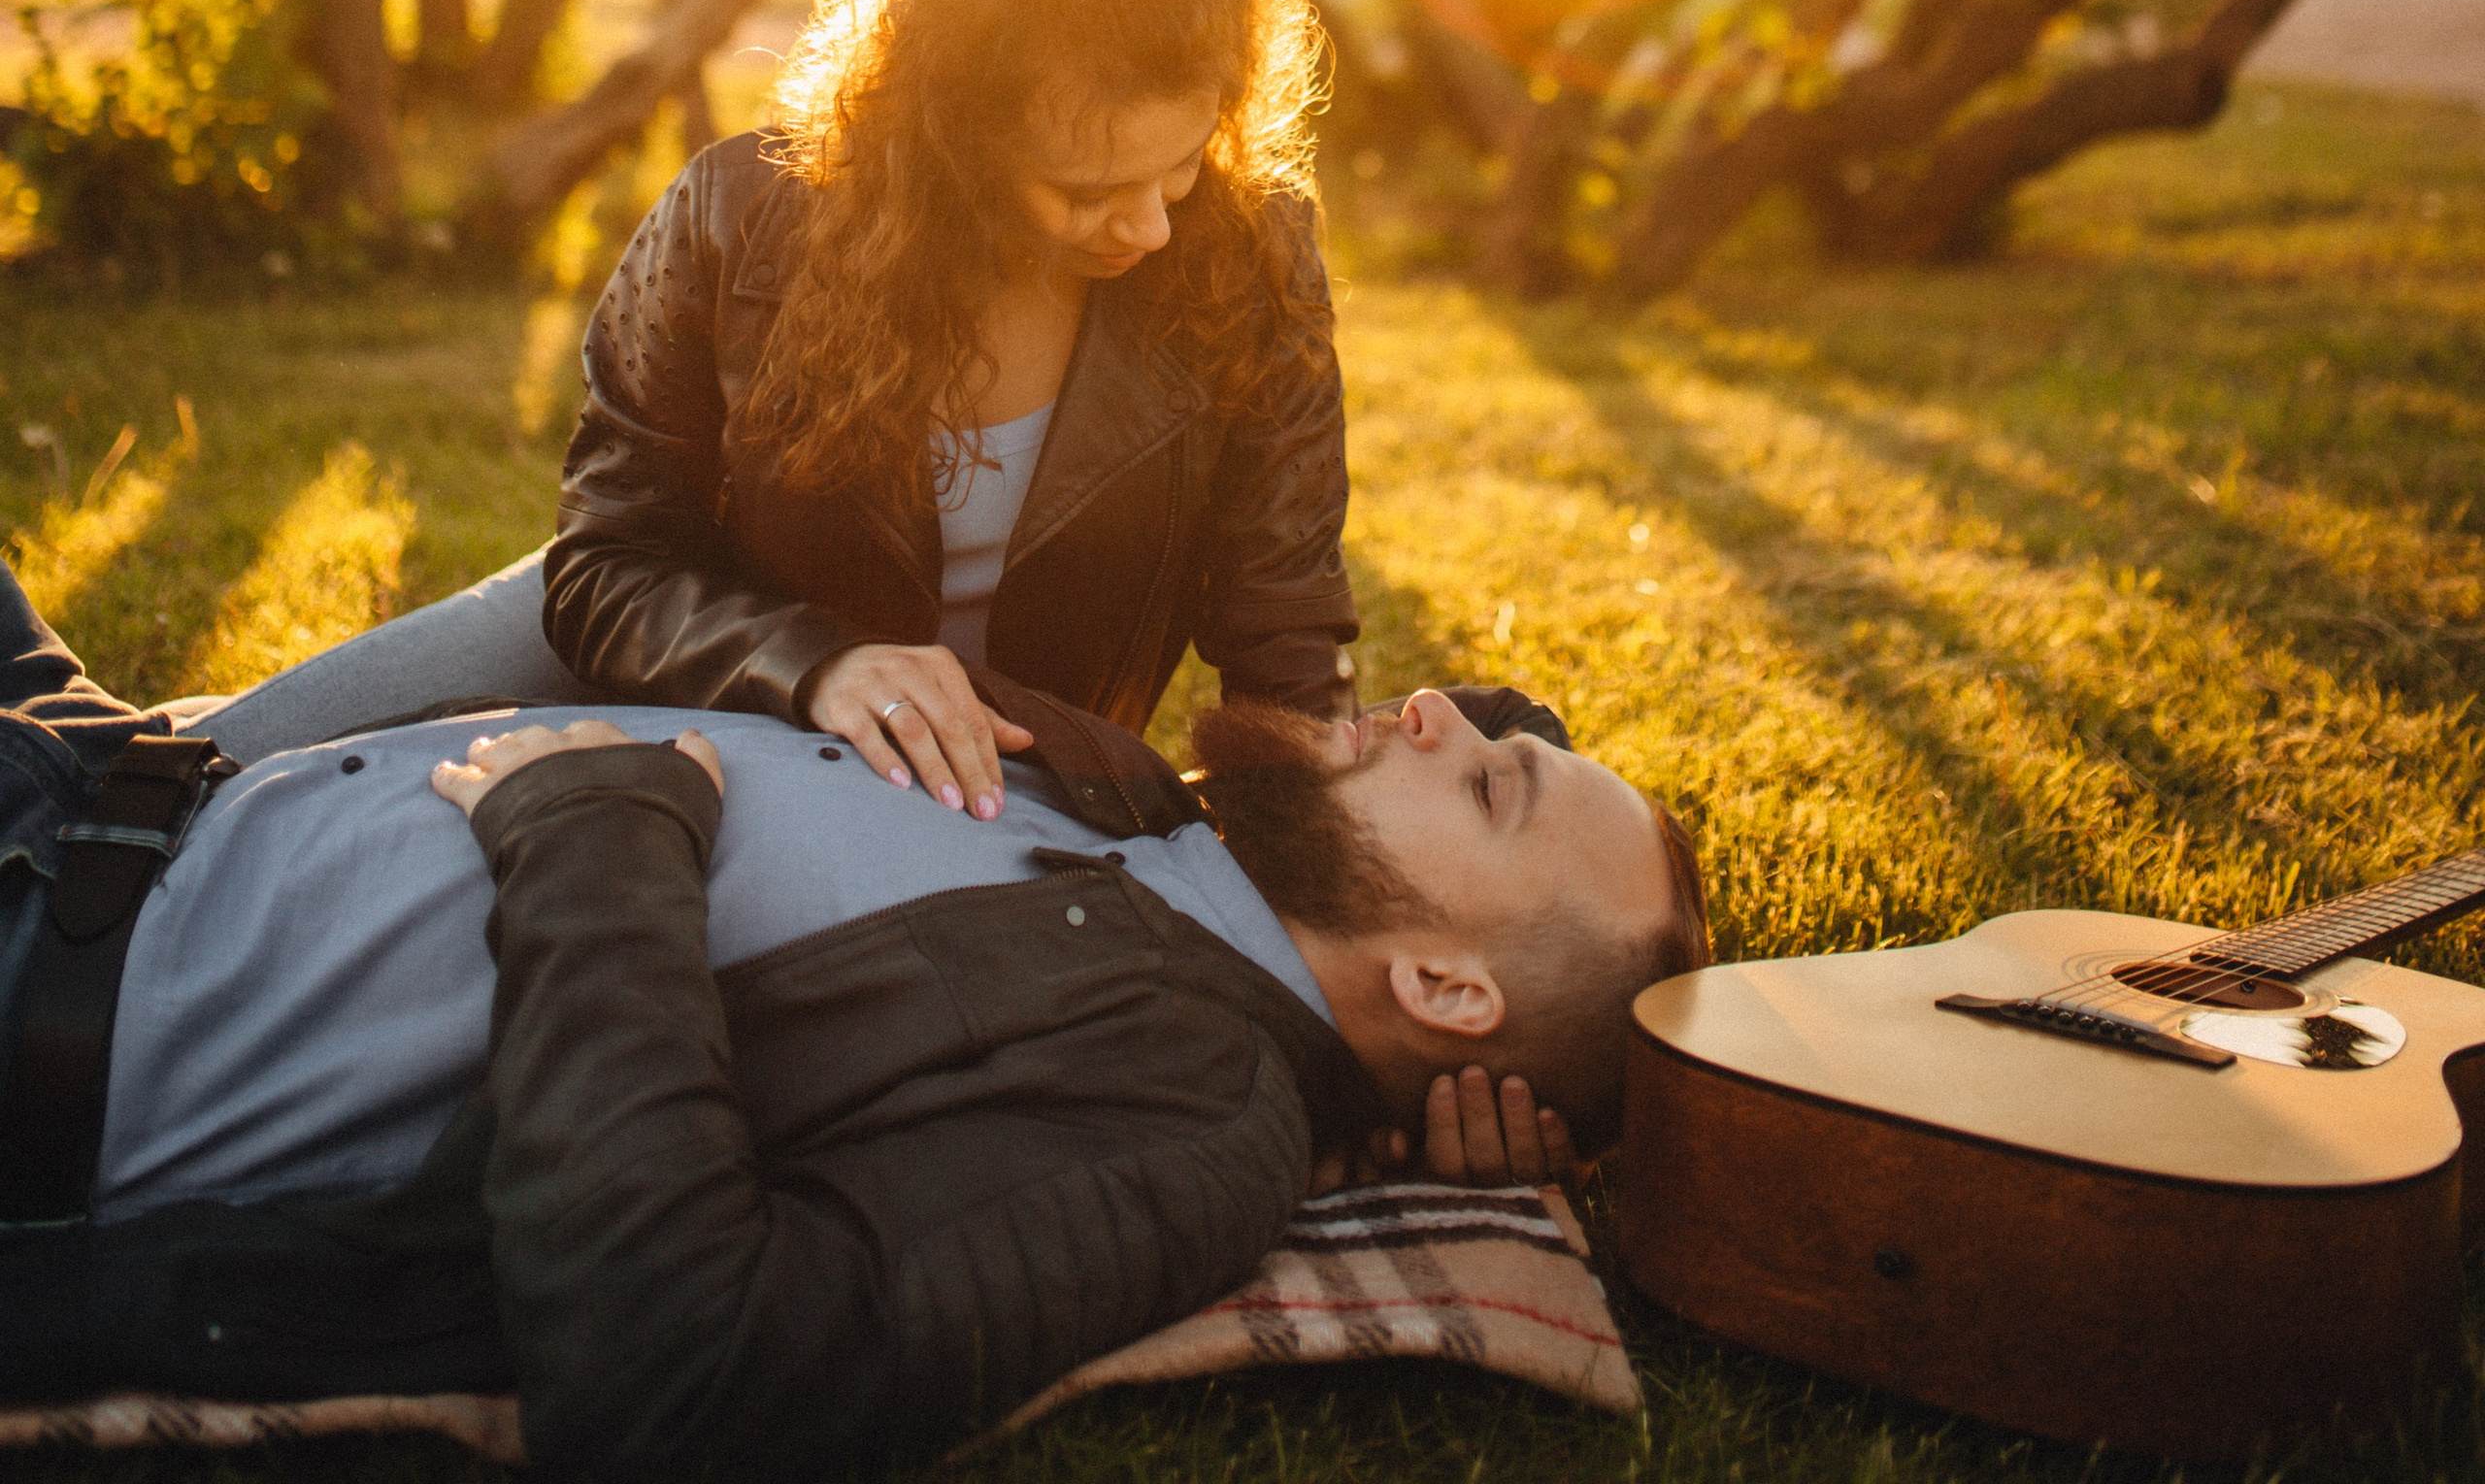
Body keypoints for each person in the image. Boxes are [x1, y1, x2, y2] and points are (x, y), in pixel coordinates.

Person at [0, 555, 1708, 1477]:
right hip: (120, 773)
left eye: (1488, 780)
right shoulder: (1171, 833)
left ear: (1446, 987)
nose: (1435, 710)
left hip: (68, 973)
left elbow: (682, 1384)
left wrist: (594, 830)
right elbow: (1477, 798)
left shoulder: (1194, 1111)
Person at [203, 0, 1356, 812]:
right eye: (1088, 190)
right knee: (201, 766)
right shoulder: (740, 217)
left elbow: (1284, 626)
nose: (1152, 226)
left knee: (318, 824)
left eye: (1181, 165)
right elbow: (609, 568)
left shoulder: (1252, 257)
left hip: (970, 784)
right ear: (953, 130)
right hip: (704, 673)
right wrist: (819, 664)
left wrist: (1315, 870)